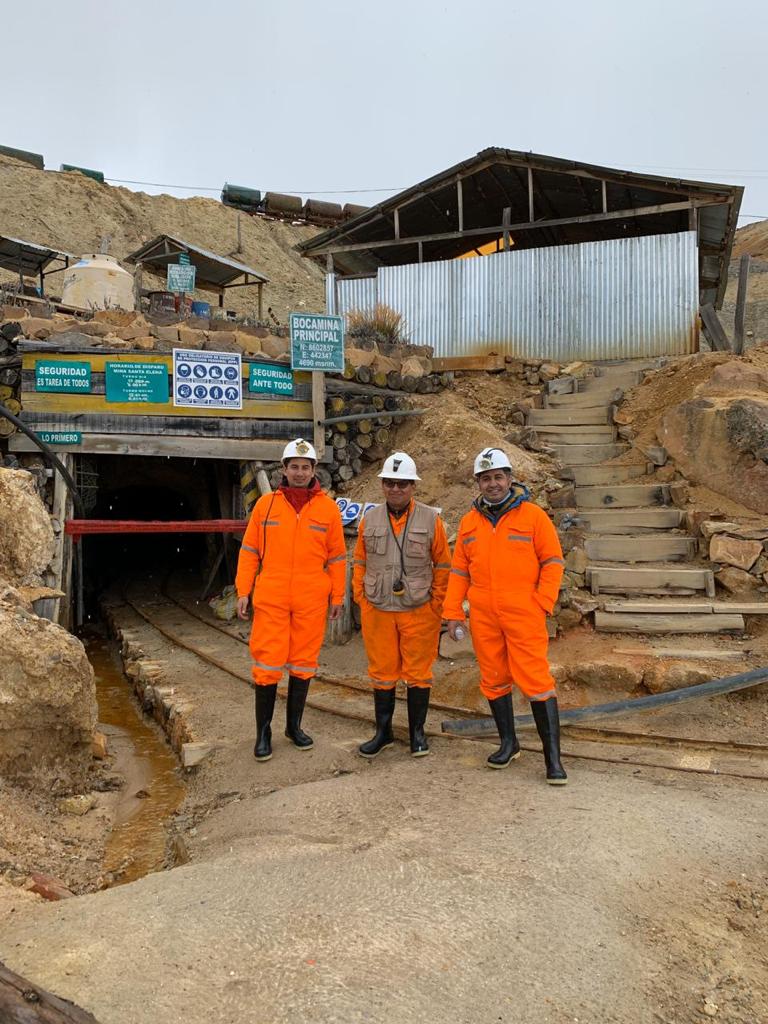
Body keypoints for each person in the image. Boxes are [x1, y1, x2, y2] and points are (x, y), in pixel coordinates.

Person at [442, 448, 568, 784]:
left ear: (510, 479)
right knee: (494, 679)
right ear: (478, 483)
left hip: (523, 612)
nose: (493, 483)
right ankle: (509, 744)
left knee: (536, 681)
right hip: (484, 615)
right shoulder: (469, 523)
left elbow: (553, 561)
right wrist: (453, 611)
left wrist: (542, 602)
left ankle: (553, 760)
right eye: (485, 478)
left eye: (498, 476)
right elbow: (459, 571)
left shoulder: (533, 517)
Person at [236, 438, 346, 762]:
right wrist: (243, 591)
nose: (299, 472)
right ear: (283, 469)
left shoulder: (328, 509)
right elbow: (249, 551)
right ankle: (263, 733)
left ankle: (293, 728)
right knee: (267, 665)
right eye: (294, 467)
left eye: (305, 467)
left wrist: (338, 595)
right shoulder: (265, 506)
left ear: (314, 470)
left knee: (303, 663)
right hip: (272, 596)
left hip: (311, 598)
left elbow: (337, 557)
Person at [353, 452, 452, 758]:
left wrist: (436, 604)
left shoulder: (431, 520)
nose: (396, 489)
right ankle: (382, 733)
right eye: (390, 483)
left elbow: (443, 565)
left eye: (403, 484)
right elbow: (359, 561)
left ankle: (417, 735)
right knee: (382, 673)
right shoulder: (369, 519)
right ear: (382, 485)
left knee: (418, 673)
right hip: (378, 609)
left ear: (413, 487)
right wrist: (361, 598)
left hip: (419, 610)